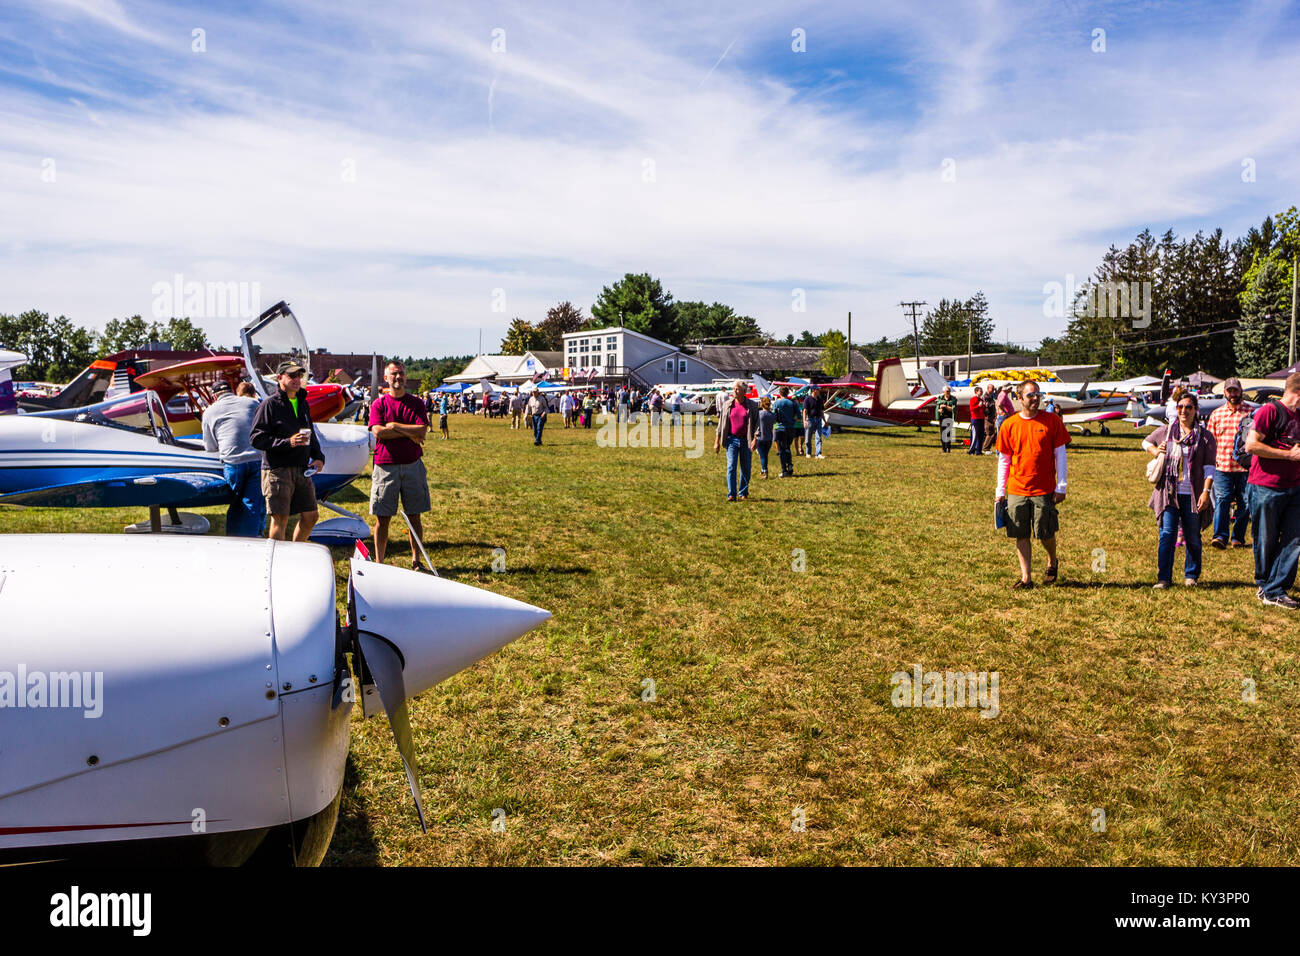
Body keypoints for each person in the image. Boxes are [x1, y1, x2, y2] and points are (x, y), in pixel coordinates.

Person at [995, 380, 1070, 588]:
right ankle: (1026, 578)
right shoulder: (1009, 424)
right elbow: (1004, 460)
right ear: (1019, 399)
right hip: (1017, 488)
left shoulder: (1052, 421)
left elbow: (1060, 455)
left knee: (1045, 532)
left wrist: (1061, 486)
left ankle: (1052, 560)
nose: (1036, 398)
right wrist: (1000, 490)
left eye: (1038, 394)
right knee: (1020, 533)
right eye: (1030, 395)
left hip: (1044, 488)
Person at [1143, 393, 1216, 587]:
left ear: (1195, 410)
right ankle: (1164, 578)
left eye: (1188, 407)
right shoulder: (1167, 432)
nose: (1183, 411)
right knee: (1167, 534)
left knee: (1193, 536)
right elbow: (1146, 442)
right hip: (1169, 493)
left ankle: (1191, 576)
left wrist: (1206, 492)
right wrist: (1156, 451)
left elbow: (1210, 468)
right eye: (1180, 407)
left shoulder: (1205, 437)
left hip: (1192, 494)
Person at [250, 360, 324, 542]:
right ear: (279, 378)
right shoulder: (269, 405)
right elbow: (256, 438)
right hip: (277, 470)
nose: (297, 379)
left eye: (299, 375)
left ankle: (295, 552)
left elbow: (311, 434)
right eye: (291, 375)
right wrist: (287, 442)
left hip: (302, 469)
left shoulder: (302, 403)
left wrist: (319, 457)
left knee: (311, 516)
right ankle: (278, 563)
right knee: (280, 520)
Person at [1245, 372, 1300, 608]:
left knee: (1295, 539)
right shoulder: (1270, 411)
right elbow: (1251, 445)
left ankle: (1276, 587)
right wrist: (1288, 455)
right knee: (1266, 538)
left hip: (1295, 487)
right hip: (1265, 486)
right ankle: (1266, 585)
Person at [368, 361, 431, 567]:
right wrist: (409, 432)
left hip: (413, 465)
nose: (398, 377)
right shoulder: (378, 404)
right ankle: (379, 562)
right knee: (382, 518)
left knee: (414, 516)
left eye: (401, 374)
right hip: (385, 466)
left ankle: (416, 560)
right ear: (386, 378)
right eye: (394, 374)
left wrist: (394, 426)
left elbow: (422, 431)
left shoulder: (416, 403)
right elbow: (378, 432)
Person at [201, 379, 265, 537]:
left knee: (236, 502)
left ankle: (236, 538)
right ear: (231, 391)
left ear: (215, 396)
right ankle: (255, 536)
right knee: (253, 502)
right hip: (257, 458)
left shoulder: (210, 411)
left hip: (233, 462)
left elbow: (210, 446)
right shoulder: (251, 403)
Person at [1205, 377, 1250, 549]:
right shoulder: (1217, 414)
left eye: (1235, 391)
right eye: (1229, 391)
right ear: (1225, 393)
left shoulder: (1251, 413)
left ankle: (1238, 537)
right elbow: (1210, 441)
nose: (1233, 394)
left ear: (1241, 391)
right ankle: (1220, 536)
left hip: (1245, 468)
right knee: (1222, 500)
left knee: (1245, 503)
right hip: (1222, 466)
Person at [713, 379, 758, 501]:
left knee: (746, 468)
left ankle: (743, 492)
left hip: (746, 440)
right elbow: (721, 425)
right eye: (733, 389)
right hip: (731, 440)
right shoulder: (727, 404)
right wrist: (716, 441)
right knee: (731, 467)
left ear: (744, 391)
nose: (734, 391)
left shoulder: (752, 406)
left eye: (737, 389)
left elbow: (757, 425)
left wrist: (755, 439)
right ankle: (731, 494)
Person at [773, 386, 801, 478]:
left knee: (781, 449)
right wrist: (793, 420)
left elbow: (774, 416)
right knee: (788, 447)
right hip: (791, 428)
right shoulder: (793, 403)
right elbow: (799, 416)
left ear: (780, 393)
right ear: (788, 393)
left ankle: (784, 469)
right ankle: (790, 465)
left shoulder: (777, 403)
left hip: (780, 428)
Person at [756, 395, 775, 478]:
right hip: (769, 437)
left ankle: (764, 470)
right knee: (765, 455)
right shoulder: (772, 415)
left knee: (762, 455)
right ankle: (763, 469)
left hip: (760, 437)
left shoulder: (760, 414)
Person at [803, 386, 825, 459]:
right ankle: (808, 453)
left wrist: (824, 421)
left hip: (818, 420)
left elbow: (822, 411)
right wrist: (804, 421)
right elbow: (805, 411)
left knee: (819, 437)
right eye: (818, 389)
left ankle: (818, 454)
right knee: (808, 438)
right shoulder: (807, 399)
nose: (819, 390)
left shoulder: (820, 399)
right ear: (813, 390)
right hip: (810, 419)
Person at [935, 385, 957, 453]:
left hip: (949, 417)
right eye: (947, 391)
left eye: (949, 391)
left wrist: (946, 407)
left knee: (948, 433)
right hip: (942, 417)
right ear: (944, 392)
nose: (948, 392)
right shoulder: (940, 398)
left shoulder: (953, 399)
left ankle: (948, 448)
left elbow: (953, 409)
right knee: (942, 433)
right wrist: (939, 410)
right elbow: (937, 407)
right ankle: (943, 448)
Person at [967, 385, 986, 455]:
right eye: (980, 391)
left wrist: (984, 406)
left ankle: (979, 450)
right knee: (974, 435)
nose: (981, 392)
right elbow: (972, 409)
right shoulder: (973, 399)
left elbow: (983, 409)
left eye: (982, 391)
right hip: (975, 419)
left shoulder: (981, 399)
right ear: (976, 392)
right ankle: (971, 450)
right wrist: (978, 406)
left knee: (981, 435)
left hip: (981, 418)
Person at [981, 384, 999, 452]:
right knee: (990, 433)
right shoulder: (986, 396)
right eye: (992, 389)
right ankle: (985, 448)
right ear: (988, 388)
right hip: (988, 417)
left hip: (991, 417)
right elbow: (986, 406)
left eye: (994, 389)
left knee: (990, 432)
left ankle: (986, 447)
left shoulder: (990, 396)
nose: (993, 390)